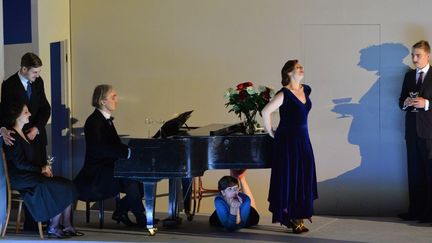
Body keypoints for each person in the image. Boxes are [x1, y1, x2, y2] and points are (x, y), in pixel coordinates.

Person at [73, 84, 146, 226]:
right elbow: (100, 148)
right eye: (113, 97)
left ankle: (121, 211)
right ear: (102, 101)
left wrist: (130, 151)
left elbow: (114, 145)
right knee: (129, 179)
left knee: (139, 179)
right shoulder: (93, 121)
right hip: (96, 173)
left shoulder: (105, 120)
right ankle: (141, 218)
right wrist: (127, 153)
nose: (116, 99)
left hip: (108, 168)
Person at [3, 102, 78, 238]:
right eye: (26, 112)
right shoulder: (12, 136)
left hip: (30, 175)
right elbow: (19, 164)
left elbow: (30, 161)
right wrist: (40, 169)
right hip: (20, 178)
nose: (30, 114)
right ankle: (53, 227)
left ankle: (67, 225)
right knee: (58, 187)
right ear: (17, 116)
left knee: (68, 184)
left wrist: (44, 168)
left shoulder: (24, 134)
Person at [261, 59, 318, 233]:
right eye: (297, 68)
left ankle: (299, 216)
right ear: (288, 73)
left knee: (303, 176)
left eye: (302, 67)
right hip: (287, 140)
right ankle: (293, 218)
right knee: (290, 177)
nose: (302, 69)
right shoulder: (284, 94)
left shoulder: (305, 89)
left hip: (303, 138)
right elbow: (265, 111)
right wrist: (271, 131)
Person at [0, 52, 51, 231]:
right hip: (20, 139)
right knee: (31, 177)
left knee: (42, 175)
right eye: (34, 72)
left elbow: (46, 108)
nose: (37, 76)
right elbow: (6, 114)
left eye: (38, 72)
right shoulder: (8, 86)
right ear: (23, 69)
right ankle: (32, 223)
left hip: (36, 137)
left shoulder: (39, 82)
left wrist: (37, 127)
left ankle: (40, 219)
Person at [398, 40, 432, 222]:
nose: (414, 58)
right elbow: (400, 100)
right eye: (412, 55)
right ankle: (415, 211)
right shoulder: (408, 76)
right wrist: (404, 103)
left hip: (429, 134)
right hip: (411, 132)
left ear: (428, 55)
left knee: (430, 173)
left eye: (418, 55)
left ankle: (429, 214)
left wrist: (426, 103)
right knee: (414, 174)